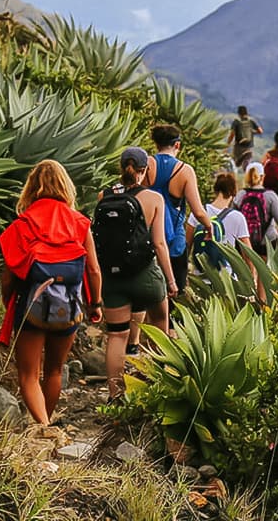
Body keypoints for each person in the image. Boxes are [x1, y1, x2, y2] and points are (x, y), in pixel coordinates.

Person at [0, 160, 102, 426]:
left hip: (30, 308)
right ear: (66, 186)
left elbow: (9, 274)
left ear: (31, 188)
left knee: (28, 375)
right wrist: (95, 304)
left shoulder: (23, 223)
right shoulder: (80, 222)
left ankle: (43, 426)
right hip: (69, 307)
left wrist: (7, 300)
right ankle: (46, 422)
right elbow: (93, 271)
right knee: (54, 370)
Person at [95, 147, 176, 398]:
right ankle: (155, 385)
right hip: (145, 276)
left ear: (121, 168)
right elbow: (160, 243)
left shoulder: (104, 196)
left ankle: (115, 395)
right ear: (145, 171)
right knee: (159, 325)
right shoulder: (154, 199)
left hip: (113, 278)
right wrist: (171, 281)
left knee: (117, 336)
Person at [145, 124, 212, 325]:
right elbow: (198, 210)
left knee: (150, 293)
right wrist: (209, 227)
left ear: (156, 143)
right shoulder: (184, 170)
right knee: (175, 293)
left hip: (147, 240)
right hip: (174, 242)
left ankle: (147, 338)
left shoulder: (146, 165)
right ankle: (169, 337)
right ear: (177, 145)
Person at [235, 162, 278, 261]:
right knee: (266, 273)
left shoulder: (240, 195)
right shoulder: (270, 196)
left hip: (244, 244)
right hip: (266, 244)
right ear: (262, 177)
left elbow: (233, 218)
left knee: (248, 273)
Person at [227, 106, 263, 171]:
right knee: (246, 165)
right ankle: (248, 175)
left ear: (239, 113)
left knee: (235, 164)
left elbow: (232, 135)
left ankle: (240, 159)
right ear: (246, 112)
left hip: (238, 147)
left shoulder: (236, 122)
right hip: (248, 147)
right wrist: (252, 132)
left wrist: (227, 145)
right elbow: (260, 131)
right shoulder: (251, 121)